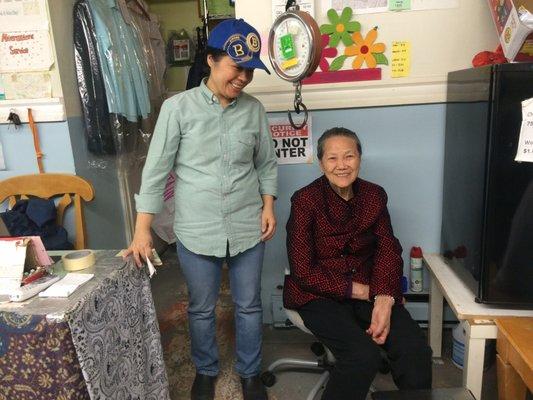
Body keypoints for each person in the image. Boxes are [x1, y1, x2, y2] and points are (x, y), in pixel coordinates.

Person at [124, 19, 277, 400]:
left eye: (250, 71)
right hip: (196, 226)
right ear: (210, 60)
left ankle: (250, 372)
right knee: (202, 308)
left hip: (246, 223)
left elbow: (266, 164)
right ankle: (206, 370)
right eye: (236, 68)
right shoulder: (178, 109)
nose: (243, 78)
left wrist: (268, 205)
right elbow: (156, 171)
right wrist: (143, 230)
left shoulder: (254, 111)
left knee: (249, 306)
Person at [283, 127, 432, 400]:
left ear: (360, 159)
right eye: (332, 158)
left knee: (415, 348)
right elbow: (302, 270)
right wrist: (366, 291)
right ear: (321, 163)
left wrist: (385, 297)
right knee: (362, 355)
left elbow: (388, 247)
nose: (341, 165)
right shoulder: (305, 200)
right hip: (317, 293)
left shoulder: (374, 196)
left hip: (372, 285)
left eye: (349, 156)